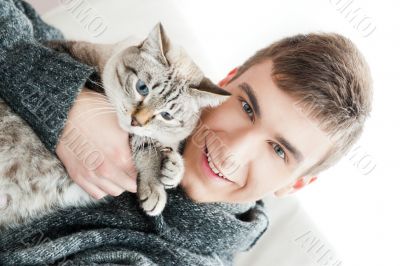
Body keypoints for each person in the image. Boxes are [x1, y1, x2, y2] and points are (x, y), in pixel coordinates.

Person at [0, 0, 372, 265]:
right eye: (246, 107)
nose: (232, 150)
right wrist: (63, 101)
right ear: (224, 83)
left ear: (294, 185)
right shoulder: (138, 86)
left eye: (278, 152)